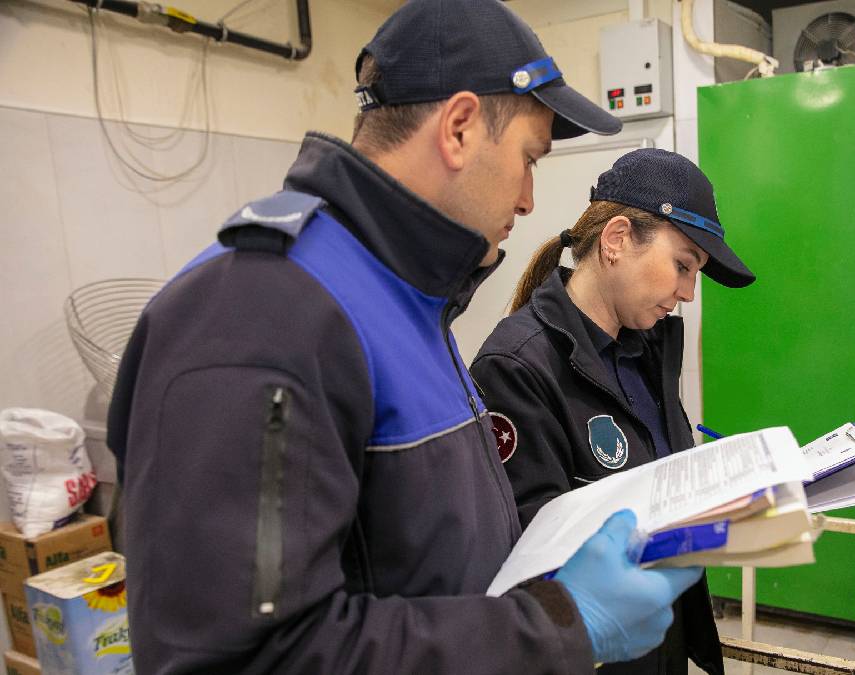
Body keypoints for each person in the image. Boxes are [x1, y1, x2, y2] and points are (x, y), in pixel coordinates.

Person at [105, 1, 702, 672]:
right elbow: (245, 658)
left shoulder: (405, 300)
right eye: (529, 159)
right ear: (458, 128)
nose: (532, 198)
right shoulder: (259, 313)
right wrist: (559, 625)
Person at [470, 148, 755, 675]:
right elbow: (532, 555)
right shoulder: (516, 368)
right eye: (683, 265)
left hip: (659, 638)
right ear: (617, 239)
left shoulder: (646, 346)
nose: (689, 293)